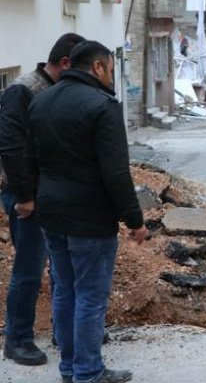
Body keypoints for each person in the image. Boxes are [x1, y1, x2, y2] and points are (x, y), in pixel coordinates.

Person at [27, 40, 147, 383]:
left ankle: (70, 368)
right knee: (91, 298)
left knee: (64, 291)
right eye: (110, 68)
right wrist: (135, 221)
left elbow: (31, 159)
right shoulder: (102, 106)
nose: (111, 75)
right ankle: (88, 372)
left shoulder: (41, 101)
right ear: (97, 67)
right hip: (90, 220)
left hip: (51, 213)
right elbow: (116, 172)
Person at [0, 33, 85, 367]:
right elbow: (10, 146)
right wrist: (24, 196)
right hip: (28, 199)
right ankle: (17, 339)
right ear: (65, 63)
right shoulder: (22, 90)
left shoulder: (54, 91)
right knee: (29, 269)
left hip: (53, 196)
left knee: (62, 268)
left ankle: (62, 331)